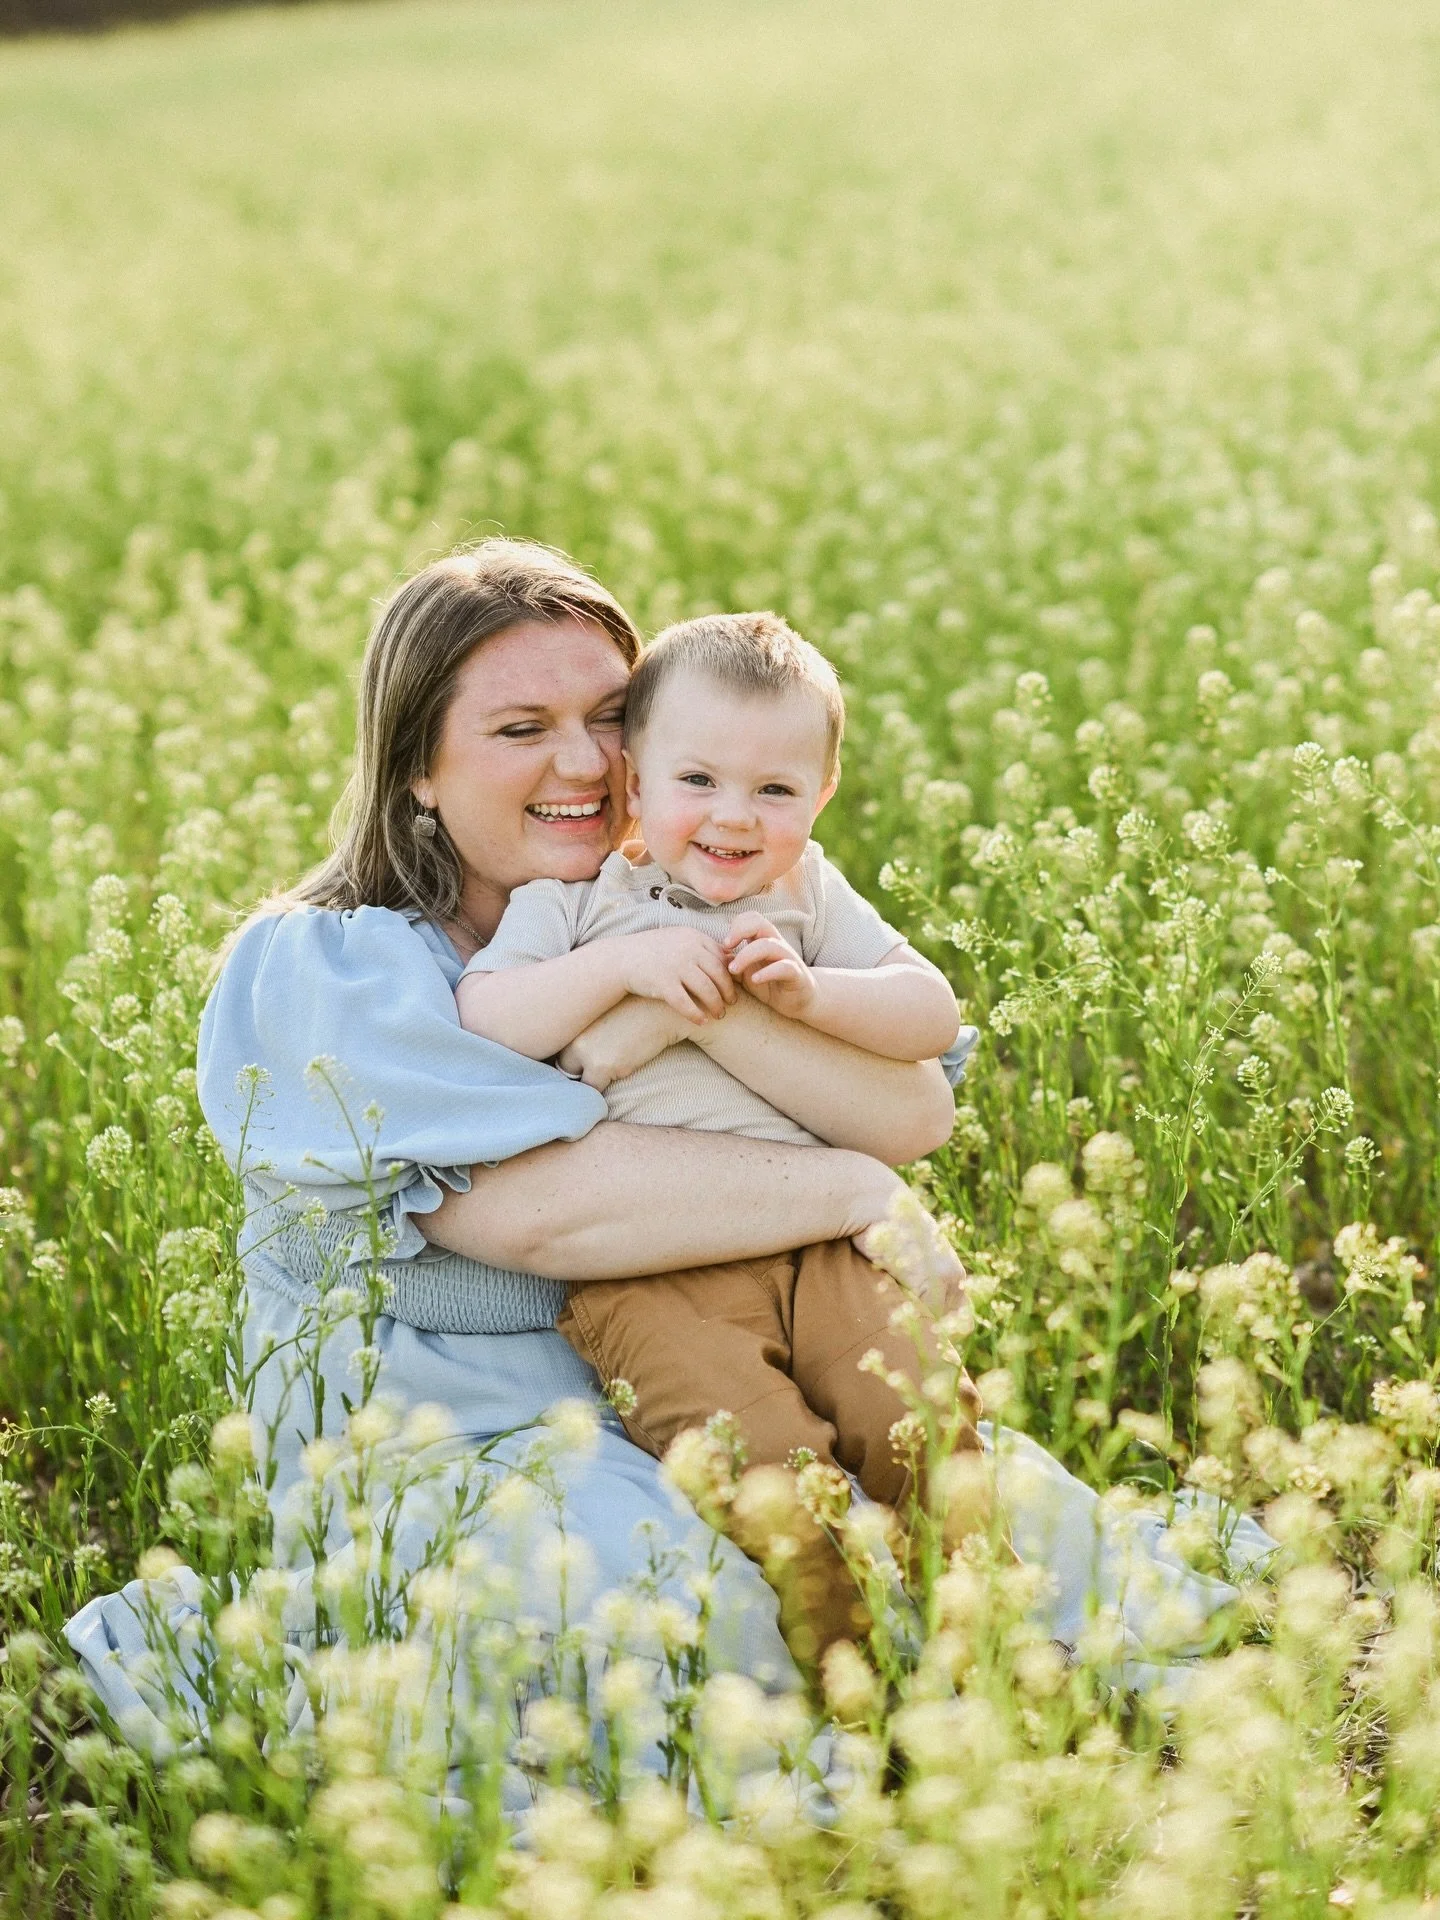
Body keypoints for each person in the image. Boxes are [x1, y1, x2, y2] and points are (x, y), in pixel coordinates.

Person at [195, 537, 976, 1688]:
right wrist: (858, 1190)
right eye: (520, 730)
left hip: (711, 1372)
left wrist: (696, 1013)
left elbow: (910, 1110)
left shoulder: (680, 895)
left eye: (610, 716)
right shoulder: (324, 964)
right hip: (460, 1439)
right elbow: (545, 1218)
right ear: (416, 765)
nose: (582, 763)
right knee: (688, 1617)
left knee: (959, 1513)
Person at [453, 611, 991, 1620]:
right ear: (635, 781)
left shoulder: (808, 894)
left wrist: (808, 997)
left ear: (822, 795)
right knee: (763, 1467)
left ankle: (980, 1644)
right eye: (697, 781)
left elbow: (931, 1011)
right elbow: (487, 1013)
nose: (734, 817)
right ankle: (851, 1683)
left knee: (912, 1414)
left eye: (775, 790)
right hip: (652, 1268)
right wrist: (623, 967)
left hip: (826, 1244)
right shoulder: (575, 903)